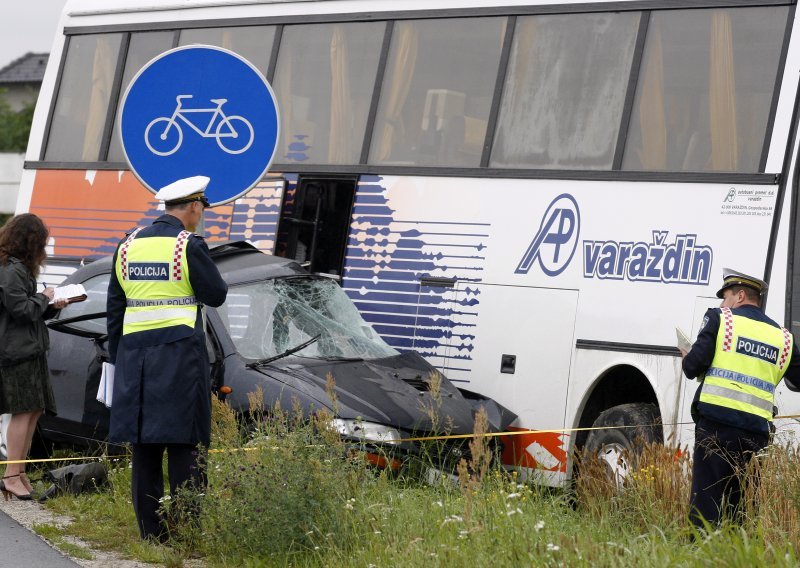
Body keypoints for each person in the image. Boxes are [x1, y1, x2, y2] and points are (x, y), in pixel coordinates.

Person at [106, 176, 227, 541]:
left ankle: (151, 534)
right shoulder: (187, 246)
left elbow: (115, 310)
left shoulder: (126, 247)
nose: (202, 213)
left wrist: (121, 360)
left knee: (144, 446)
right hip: (179, 359)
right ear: (192, 206)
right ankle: (186, 530)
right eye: (202, 207)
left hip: (135, 360)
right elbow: (216, 294)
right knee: (184, 443)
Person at [681, 268, 800, 529]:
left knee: (706, 503)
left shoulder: (721, 319)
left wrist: (687, 356)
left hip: (715, 428)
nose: (722, 304)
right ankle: (737, 554)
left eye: (725, 297)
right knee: (742, 508)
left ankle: (700, 556)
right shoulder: (784, 338)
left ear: (741, 295)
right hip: (755, 435)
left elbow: (692, 368)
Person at [0, 214, 67, 500]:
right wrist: (45, 297)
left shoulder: (19, 269)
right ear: (31, 240)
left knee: (35, 409)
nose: (44, 248)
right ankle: (10, 475)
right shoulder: (10, 270)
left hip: (30, 347)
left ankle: (20, 471)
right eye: (42, 242)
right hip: (16, 352)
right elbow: (21, 310)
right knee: (23, 410)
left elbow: (31, 311)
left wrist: (53, 305)